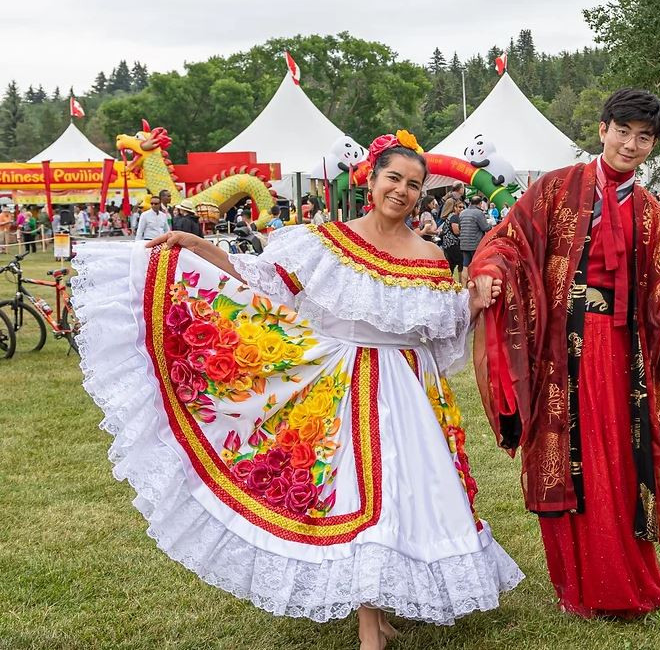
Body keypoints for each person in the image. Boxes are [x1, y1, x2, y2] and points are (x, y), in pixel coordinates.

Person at [71, 133, 522, 650]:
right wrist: (199, 247)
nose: (401, 191)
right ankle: (370, 627)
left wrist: (475, 300)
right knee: (359, 496)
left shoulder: (428, 255)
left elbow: (440, 328)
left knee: (400, 493)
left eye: (413, 185)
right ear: (372, 181)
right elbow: (262, 280)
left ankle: (377, 614)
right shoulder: (324, 240)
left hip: (406, 386)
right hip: (341, 384)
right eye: (393, 178)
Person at [468, 88, 660, 618]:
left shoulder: (647, 209)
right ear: (602, 130)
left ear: (653, 145)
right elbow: (509, 240)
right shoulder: (556, 188)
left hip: (622, 356)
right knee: (567, 460)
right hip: (561, 350)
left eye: (644, 138)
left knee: (620, 461)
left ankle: (622, 576)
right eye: (623, 131)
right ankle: (578, 582)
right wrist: (488, 273)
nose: (631, 144)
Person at [458, 195, 492, 282]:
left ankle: (464, 287)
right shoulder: (479, 213)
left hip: (464, 243)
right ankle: (475, 285)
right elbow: (485, 228)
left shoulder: (462, 213)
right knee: (476, 266)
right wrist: (490, 224)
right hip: (475, 245)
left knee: (465, 266)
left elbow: (460, 227)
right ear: (480, 203)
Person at [441, 200, 465, 277]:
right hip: (452, 244)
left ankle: (449, 281)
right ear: (455, 207)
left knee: (451, 265)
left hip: (448, 244)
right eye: (459, 207)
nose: (462, 209)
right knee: (461, 262)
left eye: (463, 207)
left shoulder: (451, 216)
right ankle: (461, 282)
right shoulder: (454, 217)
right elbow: (456, 231)